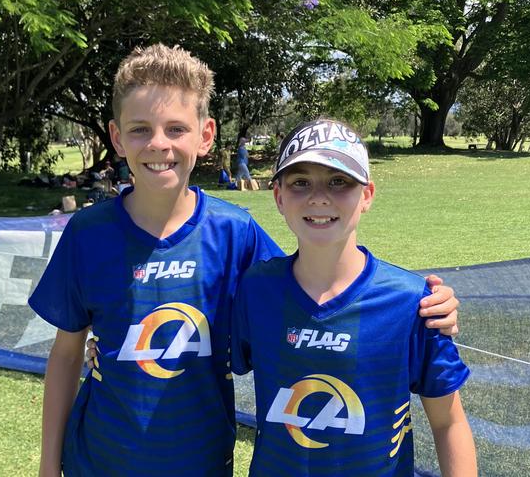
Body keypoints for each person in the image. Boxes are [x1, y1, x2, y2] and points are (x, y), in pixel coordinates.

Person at [30, 44, 460, 477]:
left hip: (201, 460)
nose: (159, 143)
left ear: (206, 135)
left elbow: (312, 295)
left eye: (176, 128)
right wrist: (50, 467)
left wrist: (429, 309)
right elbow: (67, 355)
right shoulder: (87, 234)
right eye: (140, 129)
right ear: (117, 137)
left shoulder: (234, 231)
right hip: (99, 457)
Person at [231, 119, 476, 476]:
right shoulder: (256, 290)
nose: (318, 196)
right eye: (301, 182)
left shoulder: (413, 303)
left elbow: (448, 423)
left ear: (366, 195)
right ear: (279, 197)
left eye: (339, 181)